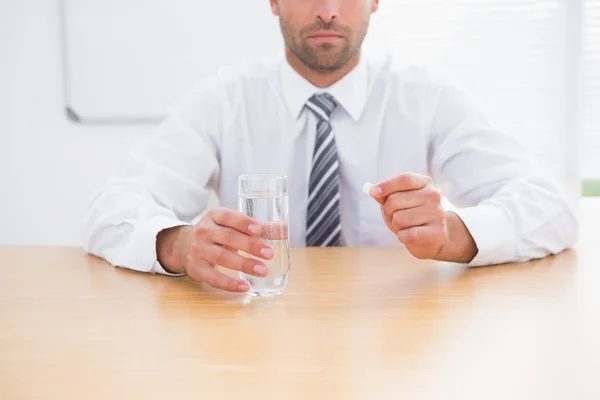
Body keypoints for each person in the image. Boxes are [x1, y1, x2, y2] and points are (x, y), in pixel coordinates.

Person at [82, 0, 578, 293]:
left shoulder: (426, 97)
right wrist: (177, 244)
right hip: (253, 336)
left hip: (396, 334)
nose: (327, 11)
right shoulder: (224, 98)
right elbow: (111, 211)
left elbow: (551, 206)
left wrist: (455, 233)